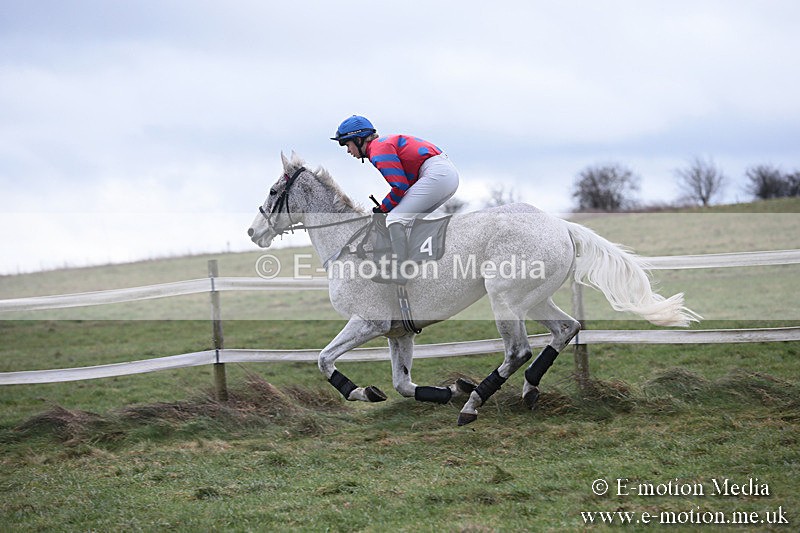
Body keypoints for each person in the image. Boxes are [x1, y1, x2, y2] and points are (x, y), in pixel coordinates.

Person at [331, 115, 460, 284]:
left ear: (358, 139)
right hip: (442, 174)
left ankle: (400, 271)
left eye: (347, 144)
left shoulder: (378, 149)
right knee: (405, 219)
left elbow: (400, 186)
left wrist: (382, 208)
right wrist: (386, 207)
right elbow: (404, 186)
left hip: (437, 174)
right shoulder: (382, 145)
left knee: (395, 218)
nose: (348, 151)